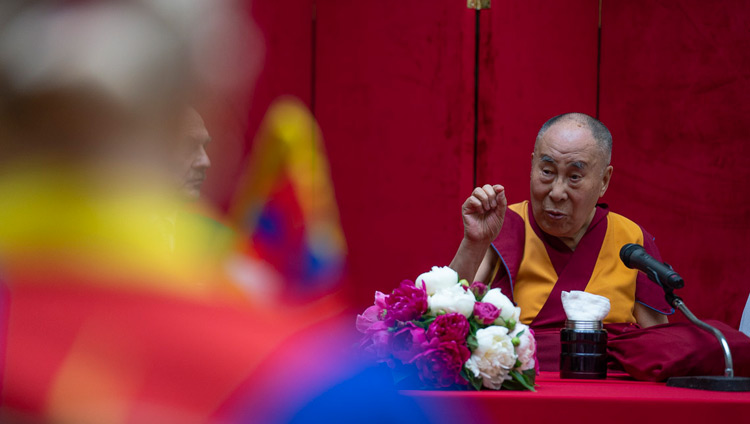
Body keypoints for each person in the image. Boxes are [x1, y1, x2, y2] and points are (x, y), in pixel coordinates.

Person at [449, 113, 673, 368]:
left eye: (574, 177)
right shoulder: (503, 225)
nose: (556, 192)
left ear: (604, 181)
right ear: (532, 165)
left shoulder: (631, 239)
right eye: (547, 171)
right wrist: (473, 242)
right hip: (520, 388)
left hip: (610, 393)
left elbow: (658, 350)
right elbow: (445, 319)